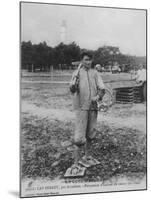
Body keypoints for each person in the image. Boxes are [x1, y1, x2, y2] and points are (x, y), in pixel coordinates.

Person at [69, 52, 105, 172]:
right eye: (86, 60)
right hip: (81, 107)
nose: (88, 62)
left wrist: (98, 97)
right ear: (82, 60)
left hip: (93, 107)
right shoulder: (77, 73)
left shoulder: (95, 73)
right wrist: (74, 83)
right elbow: (72, 89)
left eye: (90, 60)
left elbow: (102, 89)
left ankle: (87, 156)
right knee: (79, 137)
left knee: (91, 133)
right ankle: (75, 163)